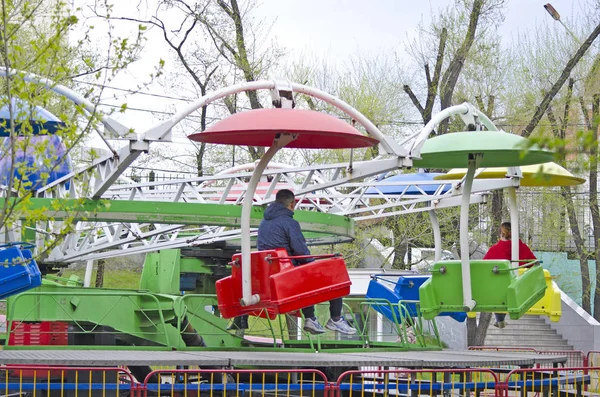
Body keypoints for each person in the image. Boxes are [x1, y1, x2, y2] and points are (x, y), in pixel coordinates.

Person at [257, 189, 357, 335]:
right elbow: (301, 252)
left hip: (272, 272)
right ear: (292, 203)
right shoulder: (289, 223)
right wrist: (314, 263)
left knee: (306, 273)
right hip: (289, 274)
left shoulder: (264, 223)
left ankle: (311, 318)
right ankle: (335, 319)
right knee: (333, 273)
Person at [483, 222, 537, 329]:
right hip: (519, 288)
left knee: (498, 289)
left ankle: (500, 319)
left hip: (499, 290)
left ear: (501, 234)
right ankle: (503, 318)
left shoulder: (494, 250)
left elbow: (485, 268)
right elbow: (533, 264)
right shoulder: (522, 248)